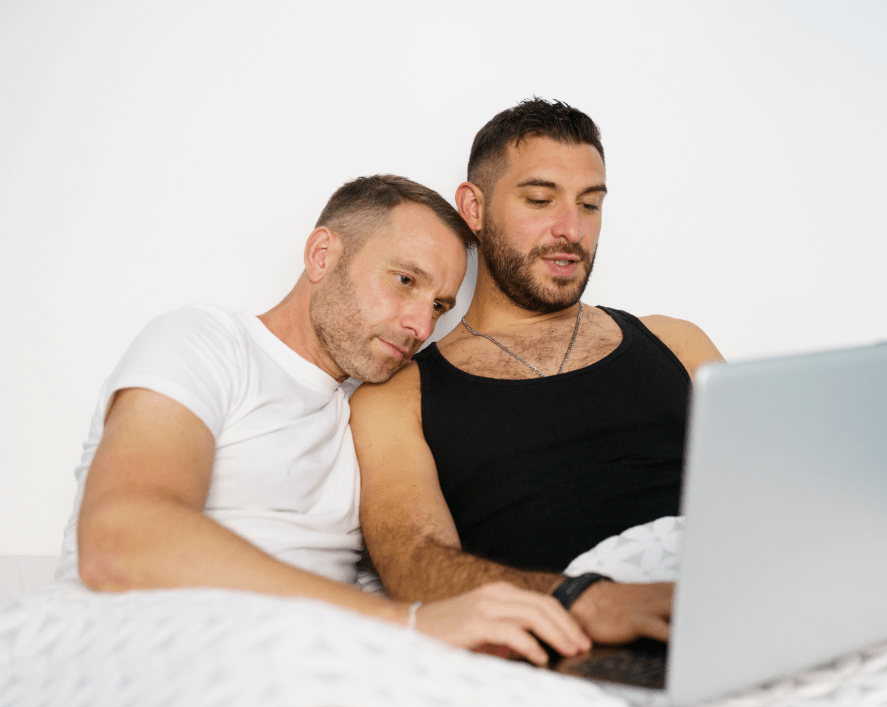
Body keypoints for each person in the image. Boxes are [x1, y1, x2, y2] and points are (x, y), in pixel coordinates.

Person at [56, 174, 591, 666]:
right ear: (322, 255)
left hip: (313, 671)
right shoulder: (205, 342)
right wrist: (404, 625)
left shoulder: (369, 414)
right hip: (158, 657)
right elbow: (118, 540)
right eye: (405, 280)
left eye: (439, 306)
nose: (419, 324)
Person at [351, 100, 724, 646]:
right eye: (540, 200)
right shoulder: (400, 395)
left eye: (590, 205)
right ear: (473, 208)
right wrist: (582, 599)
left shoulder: (677, 342)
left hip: (725, 610)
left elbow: (772, 496)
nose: (571, 230)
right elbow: (415, 565)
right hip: (579, 641)